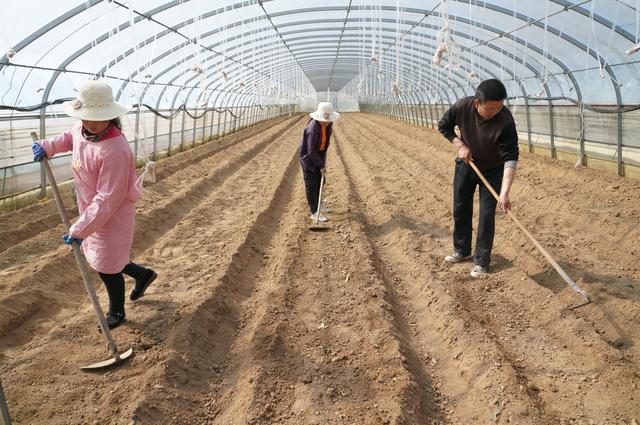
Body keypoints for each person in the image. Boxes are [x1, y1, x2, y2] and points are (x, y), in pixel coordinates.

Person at [32, 80, 157, 329]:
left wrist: (79, 229)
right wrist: (48, 146)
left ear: (110, 117)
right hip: (91, 209)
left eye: (94, 118)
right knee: (107, 257)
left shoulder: (115, 151)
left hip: (112, 213)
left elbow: (108, 198)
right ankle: (143, 275)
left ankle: (117, 313)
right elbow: (69, 138)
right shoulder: (83, 127)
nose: (87, 122)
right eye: (86, 117)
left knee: (107, 265)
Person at [438, 79, 519, 278]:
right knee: (460, 206)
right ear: (477, 104)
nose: (495, 112)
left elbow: (511, 157)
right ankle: (461, 249)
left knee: (486, 214)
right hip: (467, 163)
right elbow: (444, 125)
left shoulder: (505, 120)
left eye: (499, 107)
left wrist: (504, 193)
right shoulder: (462, 107)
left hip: (493, 169)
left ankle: (482, 261)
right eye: (490, 108)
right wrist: (460, 145)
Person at [298, 102, 340, 222]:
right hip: (309, 158)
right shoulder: (312, 128)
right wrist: (321, 165)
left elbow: (324, 142)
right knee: (312, 185)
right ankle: (314, 212)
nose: (326, 122)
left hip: (319, 155)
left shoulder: (328, 125)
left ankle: (319, 204)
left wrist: (323, 156)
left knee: (321, 180)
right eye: (324, 120)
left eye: (328, 120)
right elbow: (311, 151)